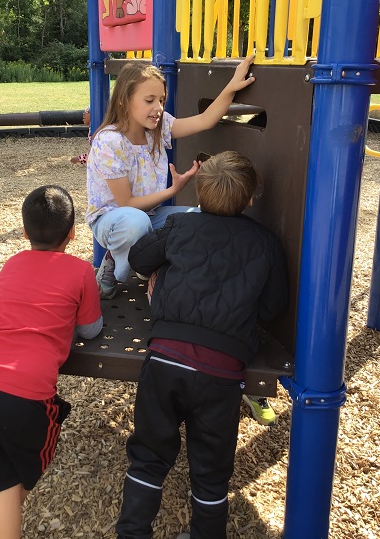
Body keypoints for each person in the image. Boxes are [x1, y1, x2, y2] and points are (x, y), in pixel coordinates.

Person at [115, 151, 289, 539]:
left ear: (199, 193)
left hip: (164, 359)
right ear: (249, 199)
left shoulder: (179, 226)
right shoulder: (264, 242)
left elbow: (141, 257)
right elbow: (274, 306)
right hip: (220, 371)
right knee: (211, 470)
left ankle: (132, 532)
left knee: (148, 456)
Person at [0, 185, 103, 539]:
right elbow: (91, 329)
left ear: (23, 233)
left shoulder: (12, 263)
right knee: (24, 466)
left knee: (0, 479)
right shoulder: (80, 272)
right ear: (72, 234)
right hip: (24, 395)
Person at [85, 56, 256, 300]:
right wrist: (172, 191)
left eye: (161, 100)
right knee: (134, 223)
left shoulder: (159, 127)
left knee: (198, 220)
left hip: (149, 217)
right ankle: (118, 267)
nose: (158, 108)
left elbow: (205, 120)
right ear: (124, 100)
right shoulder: (110, 142)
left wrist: (231, 86)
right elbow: (126, 204)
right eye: (149, 100)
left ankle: (144, 263)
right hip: (112, 221)